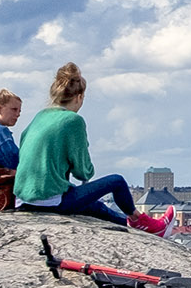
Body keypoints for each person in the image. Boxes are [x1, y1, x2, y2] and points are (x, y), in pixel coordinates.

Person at [14, 63, 165, 232]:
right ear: (79, 97)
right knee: (117, 181)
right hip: (49, 201)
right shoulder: (72, 120)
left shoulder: (40, 116)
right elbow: (83, 172)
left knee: (96, 207)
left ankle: (136, 227)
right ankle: (138, 219)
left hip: (22, 199)